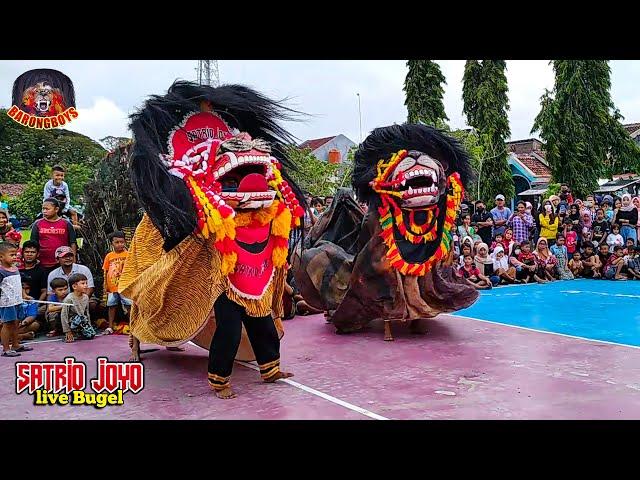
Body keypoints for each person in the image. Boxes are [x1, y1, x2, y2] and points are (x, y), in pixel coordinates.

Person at [0, 242, 34, 357]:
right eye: (12, 255)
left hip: (17, 301)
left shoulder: (15, 268)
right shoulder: (1, 271)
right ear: (1, 257)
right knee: (7, 324)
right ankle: (5, 348)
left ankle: (16, 344)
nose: (15, 257)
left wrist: (24, 295)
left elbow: (18, 284)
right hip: (7, 303)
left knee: (16, 323)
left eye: (15, 254)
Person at [31, 198, 77, 274]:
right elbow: (33, 243)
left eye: (47, 209)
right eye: (43, 209)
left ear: (56, 209)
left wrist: (73, 258)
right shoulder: (37, 224)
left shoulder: (66, 224)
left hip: (62, 262)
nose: (44, 211)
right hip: (43, 263)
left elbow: (73, 243)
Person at [102, 231, 132, 335]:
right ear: (112, 243)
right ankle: (110, 326)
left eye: (122, 242)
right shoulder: (109, 256)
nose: (120, 244)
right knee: (111, 305)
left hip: (125, 286)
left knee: (129, 305)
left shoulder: (129, 254)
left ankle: (133, 326)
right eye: (117, 242)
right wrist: (105, 285)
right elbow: (105, 271)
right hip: (112, 286)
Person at [61, 273, 96, 342]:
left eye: (86, 283)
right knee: (78, 318)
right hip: (72, 321)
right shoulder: (69, 299)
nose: (86, 285)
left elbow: (86, 312)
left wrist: (89, 325)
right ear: (74, 286)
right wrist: (67, 331)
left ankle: (79, 332)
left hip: (82, 320)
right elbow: (64, 315)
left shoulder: (86, 297)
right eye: (83, 283)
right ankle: (71, 333)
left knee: (91, 335)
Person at [19, 241, 48, 321]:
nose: (29, 254)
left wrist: (37, 304)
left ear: (37, 254)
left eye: (32, 252)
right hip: (17, 304)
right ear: (22, 253)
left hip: (35, 305)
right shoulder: (15, 269)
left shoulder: (41, 271)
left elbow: (44, 291)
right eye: (27, 252)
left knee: (44, 310)